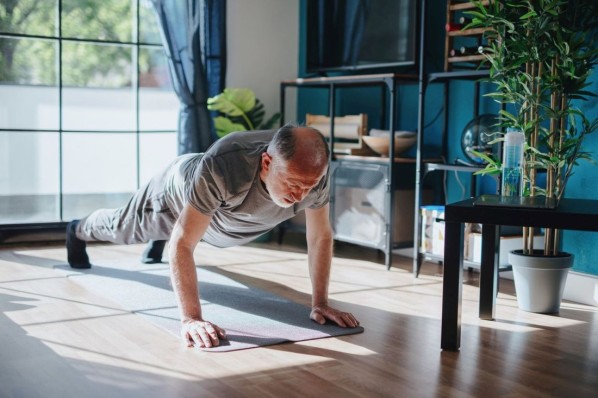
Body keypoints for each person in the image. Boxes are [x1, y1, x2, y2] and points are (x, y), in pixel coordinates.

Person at [66, 123, 360, 348]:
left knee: (184, 228)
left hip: (221, 219)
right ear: (267, 163)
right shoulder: (225, 165)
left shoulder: (312, 172)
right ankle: (77, 229)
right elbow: (183, 242)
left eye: (308, 187)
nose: (300, 196)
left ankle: (159, 240)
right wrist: (191, 318)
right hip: (174, 195)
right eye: (293, 184)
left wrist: (319, 302)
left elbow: (320, 236)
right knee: (123, 228)